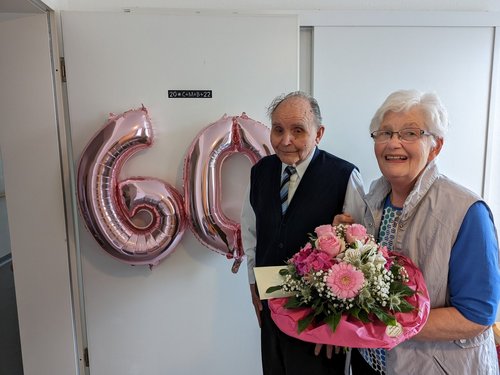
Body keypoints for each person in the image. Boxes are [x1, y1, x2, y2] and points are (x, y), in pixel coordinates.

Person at [339, 89, 500, 375]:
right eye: (384, 133)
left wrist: (382, 323)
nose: (394, 143)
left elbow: (476, 315)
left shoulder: (466, 211)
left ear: (435, 146)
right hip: (368, 363)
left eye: (410, 133)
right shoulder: (373, 198)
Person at [240, 91, 365, 375]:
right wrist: (252, 284)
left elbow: (359, 253)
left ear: (318, 133)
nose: (286, 140)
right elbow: (251, 233)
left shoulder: (344, 175)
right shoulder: (260, 172)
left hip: (321, 316)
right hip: (272, 305)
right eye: (278, 130)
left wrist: (340, 319)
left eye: (298, 131)